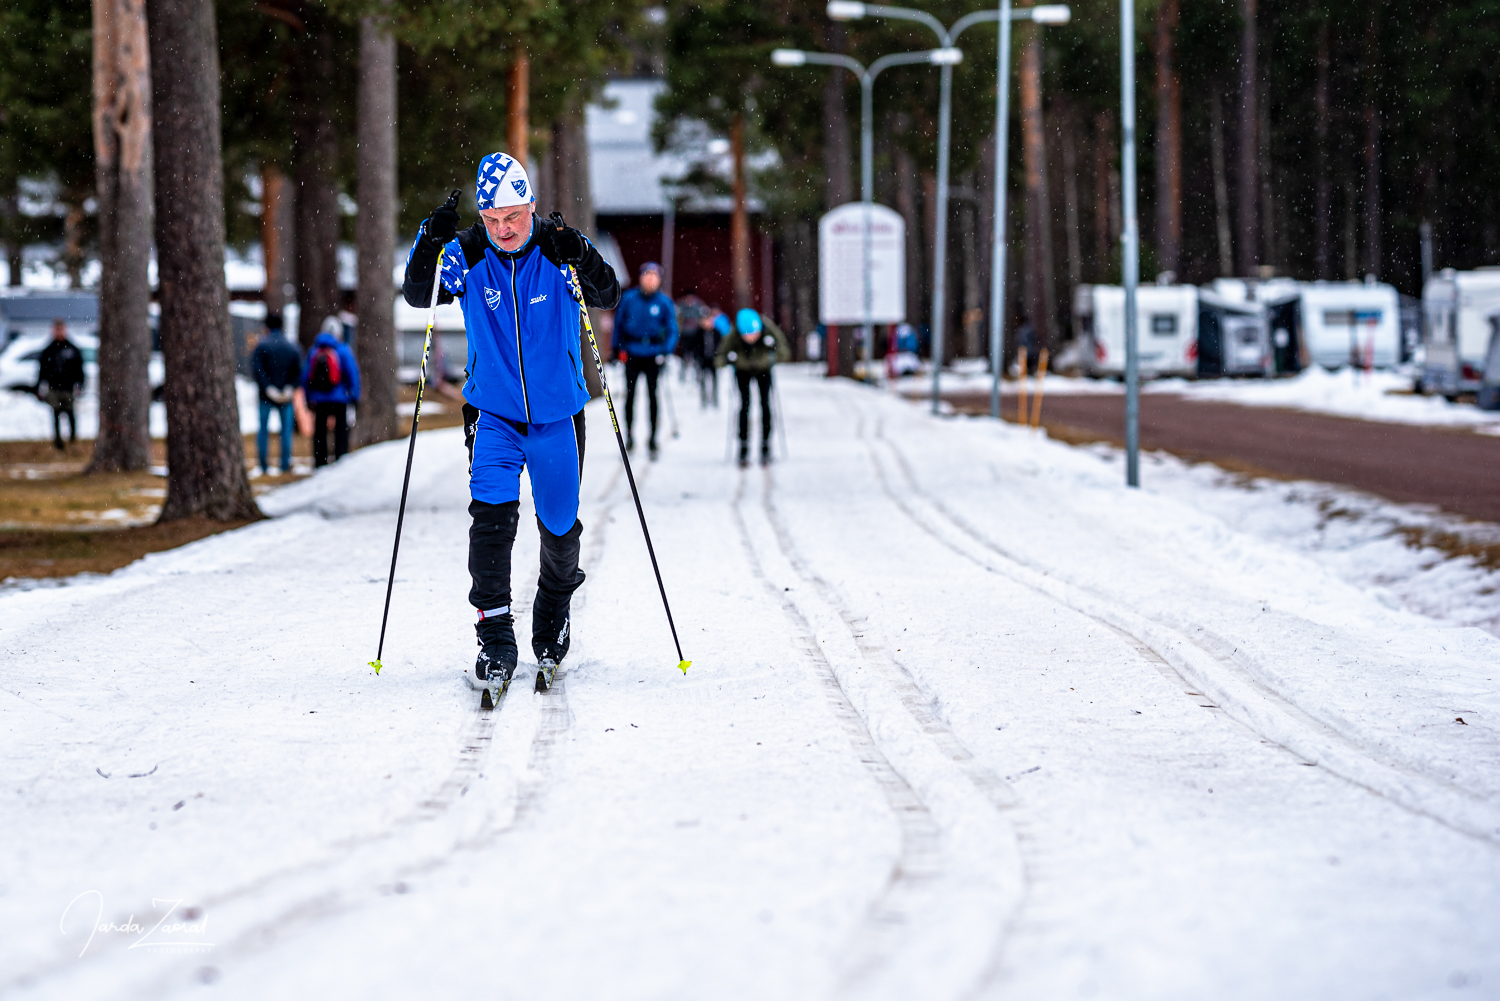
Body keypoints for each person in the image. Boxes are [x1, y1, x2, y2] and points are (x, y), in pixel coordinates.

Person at [401, 152, 620, 691]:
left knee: (560, 527)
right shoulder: (470, 254)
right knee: (491, 521)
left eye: (514, 218)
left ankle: (552, 610)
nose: (504, 230)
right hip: (492, 413)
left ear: (531, 207)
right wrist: (430, 240)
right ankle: (494, 633)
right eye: (493, 220)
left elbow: (609, 293)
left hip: (558, 416)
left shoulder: (558, 248)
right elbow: (416, 293)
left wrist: (584, 257)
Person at [613, 261, 678, 459]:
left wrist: (666, 350)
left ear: (658, 280)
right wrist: (616, 349)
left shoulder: (664, 302)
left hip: (653, 354)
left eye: (654, 276)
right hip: (632, 353)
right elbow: (618, 325)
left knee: (653, 396)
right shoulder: (629, 299)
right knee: (630, 396)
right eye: (647, 275)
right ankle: (630, 436)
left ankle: (652, 438)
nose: (650, 280)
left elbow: (673, 329)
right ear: (641, 277)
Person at [716, 307, 790, 467]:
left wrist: (773, 354)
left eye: (754, 335)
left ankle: (766, 444)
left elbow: (784, 350)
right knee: (745, 405)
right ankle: (743, 445)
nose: (751, 338)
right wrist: (729, 360)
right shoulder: (734, 334)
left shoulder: (767, 329)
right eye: (747, 335)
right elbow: (720, 356)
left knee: (765, 405)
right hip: (742, 371)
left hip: (764, 369)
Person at [302, 315, 361, 467]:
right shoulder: (343, 350)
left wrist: (308, 397)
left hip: (319, 399)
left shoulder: (314, 351)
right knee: (341, 431)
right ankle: (340, 460)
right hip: (339, 398)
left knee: (320, 432)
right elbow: (352, 373)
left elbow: (306, 376)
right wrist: (355, 395)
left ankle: (320, 463)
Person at [250, 314, 301, 474]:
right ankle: (284, 464)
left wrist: (268, 387)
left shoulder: (261, 346)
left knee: (263, 430)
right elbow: (298, 370)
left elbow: (257, 370)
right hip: (286, 396)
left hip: (266, 396)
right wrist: (289, 387)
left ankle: (263, 465)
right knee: (286, 431)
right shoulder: (292, 346)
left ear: (266, 327)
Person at [37, 319, 85, 450]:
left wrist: (80, 384)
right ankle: (58, 442)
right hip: (54, 388)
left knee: (70, 413)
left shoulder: (72, 349)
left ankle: (73, 440)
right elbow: (42, 370)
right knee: (55, 413)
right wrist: (40, 387)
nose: (58, 332)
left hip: (68, 388)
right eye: (56, 329)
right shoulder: (48, 350)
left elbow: (79, 369)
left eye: (60, 329)